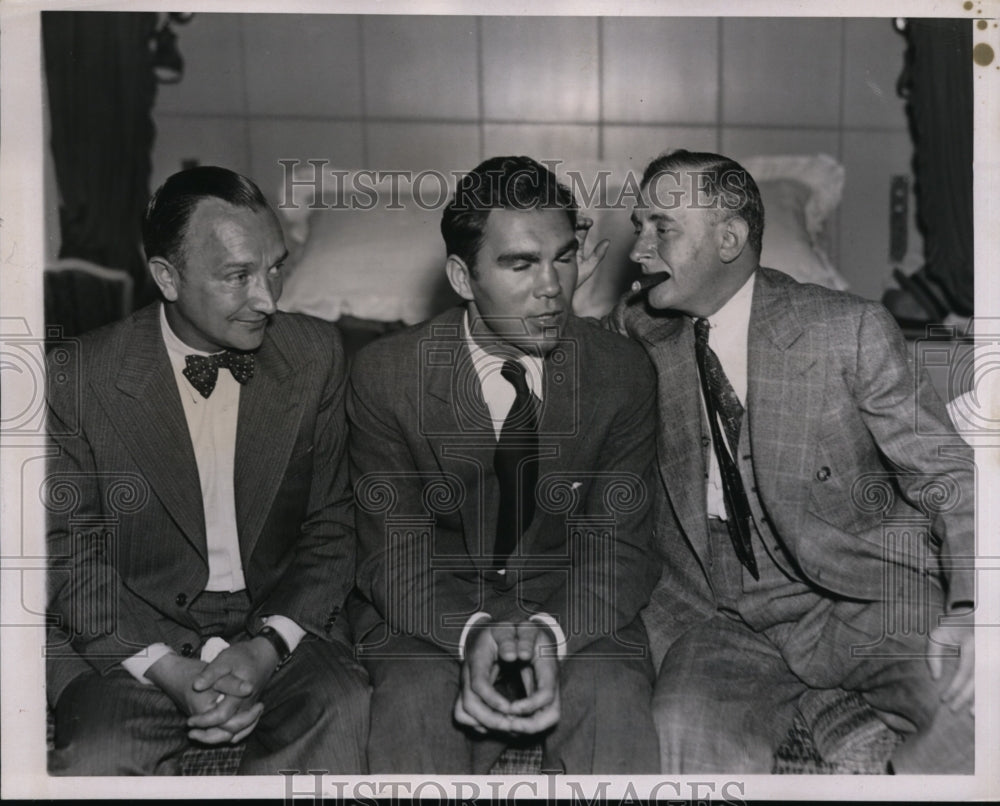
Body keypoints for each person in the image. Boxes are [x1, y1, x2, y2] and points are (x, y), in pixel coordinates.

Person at [604, 149, 974, 773]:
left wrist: (973, 608)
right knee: (680, 736)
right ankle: (830, 712)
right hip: (719, 613)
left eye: (661, 228)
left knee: (972, 705)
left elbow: (949, 475)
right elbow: (567, 373)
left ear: (729, 238)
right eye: (639, 226)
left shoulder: (848, 329)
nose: (638, 249)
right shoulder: (639, 328)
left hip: (862, 596)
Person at [46, 166, 369, 775]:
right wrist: (167, 669)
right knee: (98, 757)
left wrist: (268, 648)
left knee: (344, 711)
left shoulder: (315, 355)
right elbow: (68, 553)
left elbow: (333, 524)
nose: (268, 299)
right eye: (238, 276)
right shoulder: (77, 378)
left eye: (276, 268)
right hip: (136, 634)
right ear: (167, 277)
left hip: (276, 624)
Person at [346, 155, 661, 773]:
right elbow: (390, 553)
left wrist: (552, 631)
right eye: (520, 264)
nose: (552, 288)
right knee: (414, 703)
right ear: (462, 278)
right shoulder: (386, 376)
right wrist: (471, 633)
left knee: (613, 698)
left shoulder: (621, 372)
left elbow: (622, 546)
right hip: (429, 611)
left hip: (575, 605)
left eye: (564, 258)